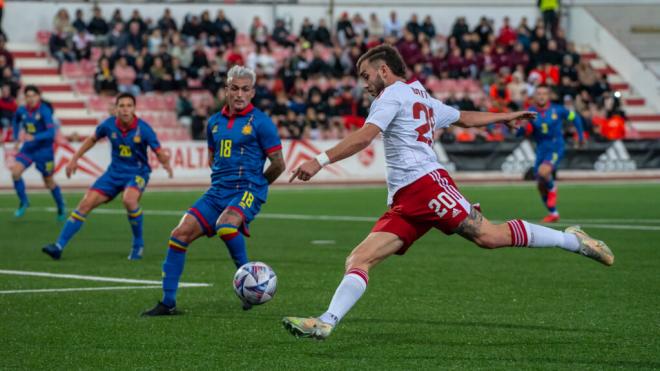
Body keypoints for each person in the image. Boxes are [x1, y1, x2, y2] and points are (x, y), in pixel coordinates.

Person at [282, 45, 613, 340]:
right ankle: (325, 321)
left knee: (489, 236)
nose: (364, 83)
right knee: (360, 258)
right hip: (405, 199)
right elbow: (463, 118)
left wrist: (319, 160)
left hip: (426, 186)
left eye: (366, 75)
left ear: (384, 70)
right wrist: (505, 116)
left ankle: (574, 241)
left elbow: (366, 136)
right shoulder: (419, 94)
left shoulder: (392, 95)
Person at [142, 66, 285, 316]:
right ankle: (168, 302)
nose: (239, 94)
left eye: (245, 89)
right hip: (218, 191)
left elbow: (278, 163)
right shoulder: (214, 122)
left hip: (247, 188)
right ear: (226, 90)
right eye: (234, 88)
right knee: (179, 234)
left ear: (252, 93)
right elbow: (213, 158)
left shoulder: (261, 123)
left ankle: (249, 284)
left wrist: (258, 185)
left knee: (226, 226)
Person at [41, 93, 172, 261]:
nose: (125, 110)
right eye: (122, 106)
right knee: (85, 204)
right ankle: (58, 247)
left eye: (129, 106)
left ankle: (138, 244)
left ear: (134, 109)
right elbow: (92, 139)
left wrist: (165, 163)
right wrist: (74, 159)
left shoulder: (144, 129)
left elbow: (158, 151)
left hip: (138, 173)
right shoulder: (109, 125)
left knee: (129, 200)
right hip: (114, 173)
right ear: (116, 109)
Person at [523, 85, 584, 223]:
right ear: (534, 96)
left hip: (556, 146)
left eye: (544, 93)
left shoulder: (558, 109)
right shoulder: (530, 112)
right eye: (538, 93)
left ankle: (553, 187)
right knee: (540, 185)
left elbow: (576, 118)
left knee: (544, 173)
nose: (541, 96)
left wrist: (580, 136)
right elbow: (523, 131)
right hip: (541, 149)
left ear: (549, 96)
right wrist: (522, 128)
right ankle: (553, 213)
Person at [10, 85, 65, 220]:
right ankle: (24, 202)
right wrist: (16, 136)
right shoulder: (22, 110)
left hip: (44, 151)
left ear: (38, 96)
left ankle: (60, 206)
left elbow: (51, 133)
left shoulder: (45, 111)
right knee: (15, 172)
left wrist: (34, 137)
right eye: (28, 96)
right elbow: (15, 120)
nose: (30, 99)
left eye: (33, 96)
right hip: (29, 148)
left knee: (49, 182)